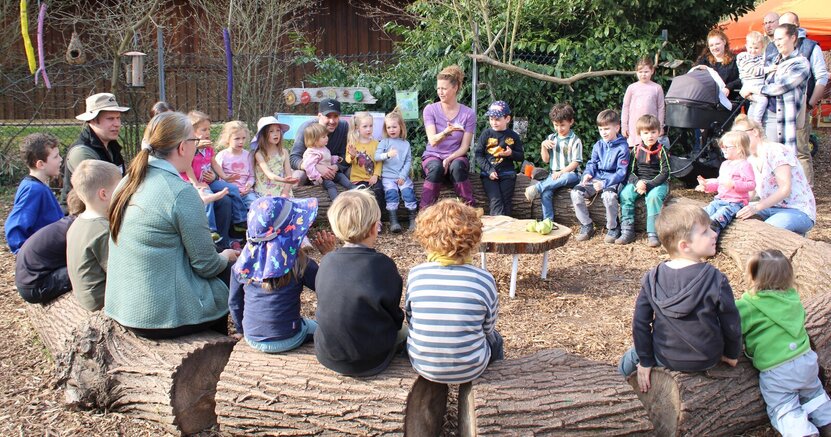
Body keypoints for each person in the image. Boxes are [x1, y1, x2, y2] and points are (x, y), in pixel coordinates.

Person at [106, 112, 239, 339]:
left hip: (122, 307)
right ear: (181, 148)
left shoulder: (127, 181)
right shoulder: (180, 192)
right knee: (229, 269)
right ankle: (223, 344)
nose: (196, 148)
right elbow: (206, 266)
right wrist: (226, 256)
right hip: (159, 317)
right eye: (194, 141)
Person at [618, 203, 742, 392]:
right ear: (685, 246)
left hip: (664, 355)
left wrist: (645, 360)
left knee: (628, 359)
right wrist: (732, 353)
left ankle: (614, 388)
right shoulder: (716, 279)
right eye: (705, 231)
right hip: (707, 356)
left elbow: (641, 324)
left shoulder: (652, 278)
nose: (714, 233)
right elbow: (731, 323)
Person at [406, 198, 502, 384]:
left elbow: (410, 318)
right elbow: (488, 328)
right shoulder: (484, 279)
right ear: (473, 237)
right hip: (471, 368)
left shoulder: (416, 274)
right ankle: (497, 379)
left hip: (422, 365)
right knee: (496, 340)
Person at [736, 249, 831, 436]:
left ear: (753, 276)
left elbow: (734, 329)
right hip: (806, 360)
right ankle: (827, 422)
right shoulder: (793, 298)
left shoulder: (746, 305)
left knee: (784, 406)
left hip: (777, 369)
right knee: (814, 395)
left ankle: (802, 432)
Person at [314, 189, 406, 377]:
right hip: (372, 359)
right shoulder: (383, 265)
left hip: (328, 354)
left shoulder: (327, 261)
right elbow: (394, 315)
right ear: (374, 228)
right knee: (405, 333)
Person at [229, 196, 336, 353]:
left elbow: (234, 303)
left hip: (252, 336)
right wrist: (328, 255)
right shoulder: (300, 262)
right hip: (288, 337)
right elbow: (328, 289)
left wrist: (242, 330)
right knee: (321, 328)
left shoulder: (242, 264)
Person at [732, 115, 816, 235]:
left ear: (755, 132)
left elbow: (785, 189)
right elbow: (751, 192)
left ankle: (795, 234)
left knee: (765, 232)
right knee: (733, 216)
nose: (738, 140)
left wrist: (755, 208)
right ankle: (792, 234)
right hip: (769, 208)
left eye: (740, 134)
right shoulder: (750, 159)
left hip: (797, 210)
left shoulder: (776, 151)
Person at [742, 24, 810, 153]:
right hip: (757, 110)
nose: (777, 43)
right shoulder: (774, 61)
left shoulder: (800, 63)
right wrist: (748, 91)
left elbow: (780, 87)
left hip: (777, 118)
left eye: (780, 39)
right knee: (755, 156)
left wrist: (754, 89)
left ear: (793, 38)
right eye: (775, 39)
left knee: (774, 158)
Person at [778, 12, 828, 185]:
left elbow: (821, 77)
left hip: (799, 106)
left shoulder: (810, 47)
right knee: (778, 150)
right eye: (781, 24)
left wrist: (810, 103)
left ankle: (806, 193)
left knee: (800, 150)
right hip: (776, 107)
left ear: (797, 26)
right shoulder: (773, 46)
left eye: (789, 25)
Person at [66, 160, 122, 312]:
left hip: (86, 296)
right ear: (103, 194)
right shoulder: (103, 230)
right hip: (101, 301)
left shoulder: (78, 222)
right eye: (120, 188)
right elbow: (119, 272)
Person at [184, 111, 247, 240]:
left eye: (209, 129)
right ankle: (211, 230)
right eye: (204, 130)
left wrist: (225, 177)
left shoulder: (208, 147)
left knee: (232, 189)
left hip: (209, 181)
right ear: (193, 132)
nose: (208, 133)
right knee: (208, 198)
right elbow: (187, 167)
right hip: (195, 183)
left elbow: (214, 163)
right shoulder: (189, 148)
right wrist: (195, 184)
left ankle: (240, 220)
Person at [62, 93, 129, 211]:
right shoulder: (82, 152)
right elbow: (99, 193)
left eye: (118, 118)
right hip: (82, 216)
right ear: (92, 120)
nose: (117, 124)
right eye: (110, 119)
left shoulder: (112, 146)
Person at [421, 65, 477, 207]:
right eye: (438, 88)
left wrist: (449, 159)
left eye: (444, 88)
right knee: (436, 168)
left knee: (457, 166)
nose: (440, 92)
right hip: (432, 157)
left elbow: (465, 147)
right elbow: (432, 141)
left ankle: (470, 209)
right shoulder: (430, 109)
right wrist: (447, 132)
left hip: (456, 157)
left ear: (456, 87)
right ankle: (424, 212)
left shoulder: (468, 114)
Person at [570, 109, 630, 243]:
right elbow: (592, 163)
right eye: (601, 129)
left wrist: (604, 183)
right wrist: (587, 174)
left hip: (613, 180)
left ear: (617, 128)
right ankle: (586, 225)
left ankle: (613, 227)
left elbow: (621, 173)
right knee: (575, 193)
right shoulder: (598, 145)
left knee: (608, 196)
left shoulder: (623, 148)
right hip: (596, 178)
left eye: (607, 129)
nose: (604, 132)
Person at [14, 192, 84, 304]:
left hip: (28, 279)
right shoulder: (78, 229)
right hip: (35, 286)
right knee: (87, 269)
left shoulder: (67, 223)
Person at [5, 133, 64, 254]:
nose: (61, 159)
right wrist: (27, 257)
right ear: (40, 164)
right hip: (41, 262)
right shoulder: (33, 190)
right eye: (56, 156)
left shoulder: (39, 186)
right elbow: (15, 227)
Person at [617, 115, 670, 247]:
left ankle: (653, 233)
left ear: (659, 132)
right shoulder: (635, 150)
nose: (650, 136)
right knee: (625, 194)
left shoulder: (662, 150)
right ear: (640, 133)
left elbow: (665, 172)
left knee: (653, 197)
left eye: (653, 132)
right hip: (639, 181)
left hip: (657, 183)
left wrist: (649, 185)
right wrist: (637, 183)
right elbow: (630, 171)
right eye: (646, 133)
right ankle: (627, 230)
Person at [524, 103, 582, 222]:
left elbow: (575, 163)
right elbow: (546, 160)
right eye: (556, 125)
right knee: (546, 194)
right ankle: (548, 221)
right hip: (553, 176)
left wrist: (561, 172)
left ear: (571, 122)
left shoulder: (575, 140)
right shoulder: (551, 138)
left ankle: (538, 187)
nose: (559, 129)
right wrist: (543, 146)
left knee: (566, 177)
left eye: (562, 125)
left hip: (571, 175)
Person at [695, 130, 755, 235]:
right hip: (719, 200)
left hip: (735, 203)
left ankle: (711, 236)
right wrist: (706, 186)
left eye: (727, 147)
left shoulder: (744, 165)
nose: (723, 149)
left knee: (717, 218)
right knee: (701, 214)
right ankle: (695, 233)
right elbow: (720, 182)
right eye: (722, 147)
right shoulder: (725, 164)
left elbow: (751, 184)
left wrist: (734, 184)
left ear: (739, 149)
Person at [474, 100, 525, 216]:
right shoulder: (486, 134)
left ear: (507, 119)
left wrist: (511, 154)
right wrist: (489, 170)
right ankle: (497, 228)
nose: (494, 122)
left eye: (497, 119)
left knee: (506, 201)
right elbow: (479, 155)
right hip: (489, 175)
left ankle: (506, 228)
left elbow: (521, 156)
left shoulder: (513, 136)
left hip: (507, 174)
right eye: (491, 119)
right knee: (496, 199)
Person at [374, 109, 418, 233]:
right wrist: (387, 154)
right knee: (391, 194)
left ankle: (412, 219)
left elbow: (408, 161)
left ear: (401, 127)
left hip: (402, 176)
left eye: (394, 126)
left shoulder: (406, 144)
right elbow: (377, 157)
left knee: (408, 193)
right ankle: (394, 221)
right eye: (389, 127)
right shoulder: (384, 142)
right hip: (388, 177)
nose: (391, 130)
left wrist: (403, 176)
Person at [289, 99, 350, 185]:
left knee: (353, 172)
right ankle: (292, 197)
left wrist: (335, 167)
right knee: (298, 176)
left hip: (334, 171)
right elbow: (294, 159)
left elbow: (345, 155)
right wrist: (316, 167)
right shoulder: (307, 128)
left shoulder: (343, 126)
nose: (332, 121)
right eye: (328, 116)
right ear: (319, 116)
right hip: (310, 173)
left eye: (335, 116)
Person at [301, 123, 354, 199]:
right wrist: (317, 177)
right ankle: (335, 200)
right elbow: (308, 166)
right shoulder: (312, 152)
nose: (327, 138)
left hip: (330, 173)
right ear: (315, 140)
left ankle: (353, 187)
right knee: (330, 185)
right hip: (320, 177)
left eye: (326, 136)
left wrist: (335, 159)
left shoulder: (323, 148)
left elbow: (326, 159)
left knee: (341, 176)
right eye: (323, 137)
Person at [345, 111, 385, 211]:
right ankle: (364, 219)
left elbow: (379, 161)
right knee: (361, 196)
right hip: (358, 179)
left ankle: (377, 217)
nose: (369, 129)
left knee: (379, 190)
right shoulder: (353, 143)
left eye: (371, 126)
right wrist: (352, 156)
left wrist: (376, 175)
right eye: (365, 126)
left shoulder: (376, 144)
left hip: (372, 177)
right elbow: (348, 160)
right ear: (358, 127)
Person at [621, 57, 665, 148]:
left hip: (651, 126)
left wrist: (660, 126)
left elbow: (661, 108)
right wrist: (624, 126)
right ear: (636, 72)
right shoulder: (632, 88)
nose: (643, 74)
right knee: (634, 151)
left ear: (652, 71)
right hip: (634, 126)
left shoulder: (657, 88)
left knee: (650, 150)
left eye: (646, 72)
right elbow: (625, 107)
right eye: (640, 72)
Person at [252, 115, 298, 198]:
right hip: (265, 190)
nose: (276, 134)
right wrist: (284, 180)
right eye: (271, 131)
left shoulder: (284, 152)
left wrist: (286, 191)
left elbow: (288, 174)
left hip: (282, 188)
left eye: (278, 130)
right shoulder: (259, 154)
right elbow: (269, 174)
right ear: (264, 134)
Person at [215, 121, 257, 209]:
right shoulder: (222, 155)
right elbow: (219, 178)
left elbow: (251, 176)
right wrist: (233, 189)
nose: (241, 142)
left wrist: (248, 185)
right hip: (229, 191)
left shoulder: (248, 155)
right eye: (237, 139)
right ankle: (239, 222)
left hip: (246, 192)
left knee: (255, 204)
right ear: (228, 139)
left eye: (243, 138)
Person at [694, 29, 741, 101]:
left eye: (717, 44)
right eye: (711, 45)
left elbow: (742, 78)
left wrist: (729, 87)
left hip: (730, 100)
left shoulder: (736, 60)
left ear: (724, 42)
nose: (715, 47)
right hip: (708, 101)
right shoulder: (703, 61)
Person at [737, 31, 773, 123]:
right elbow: (753, 71)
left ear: (762, 48)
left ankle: (751, 121)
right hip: (750, 83)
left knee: (755, 103)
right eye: (750, 47)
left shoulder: (762, 58)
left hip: (758, 84)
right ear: (746, 46)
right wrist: (769, 69)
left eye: (756, 48)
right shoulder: (743, 57)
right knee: (763, 100)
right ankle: (757, 122)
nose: (753, 50)